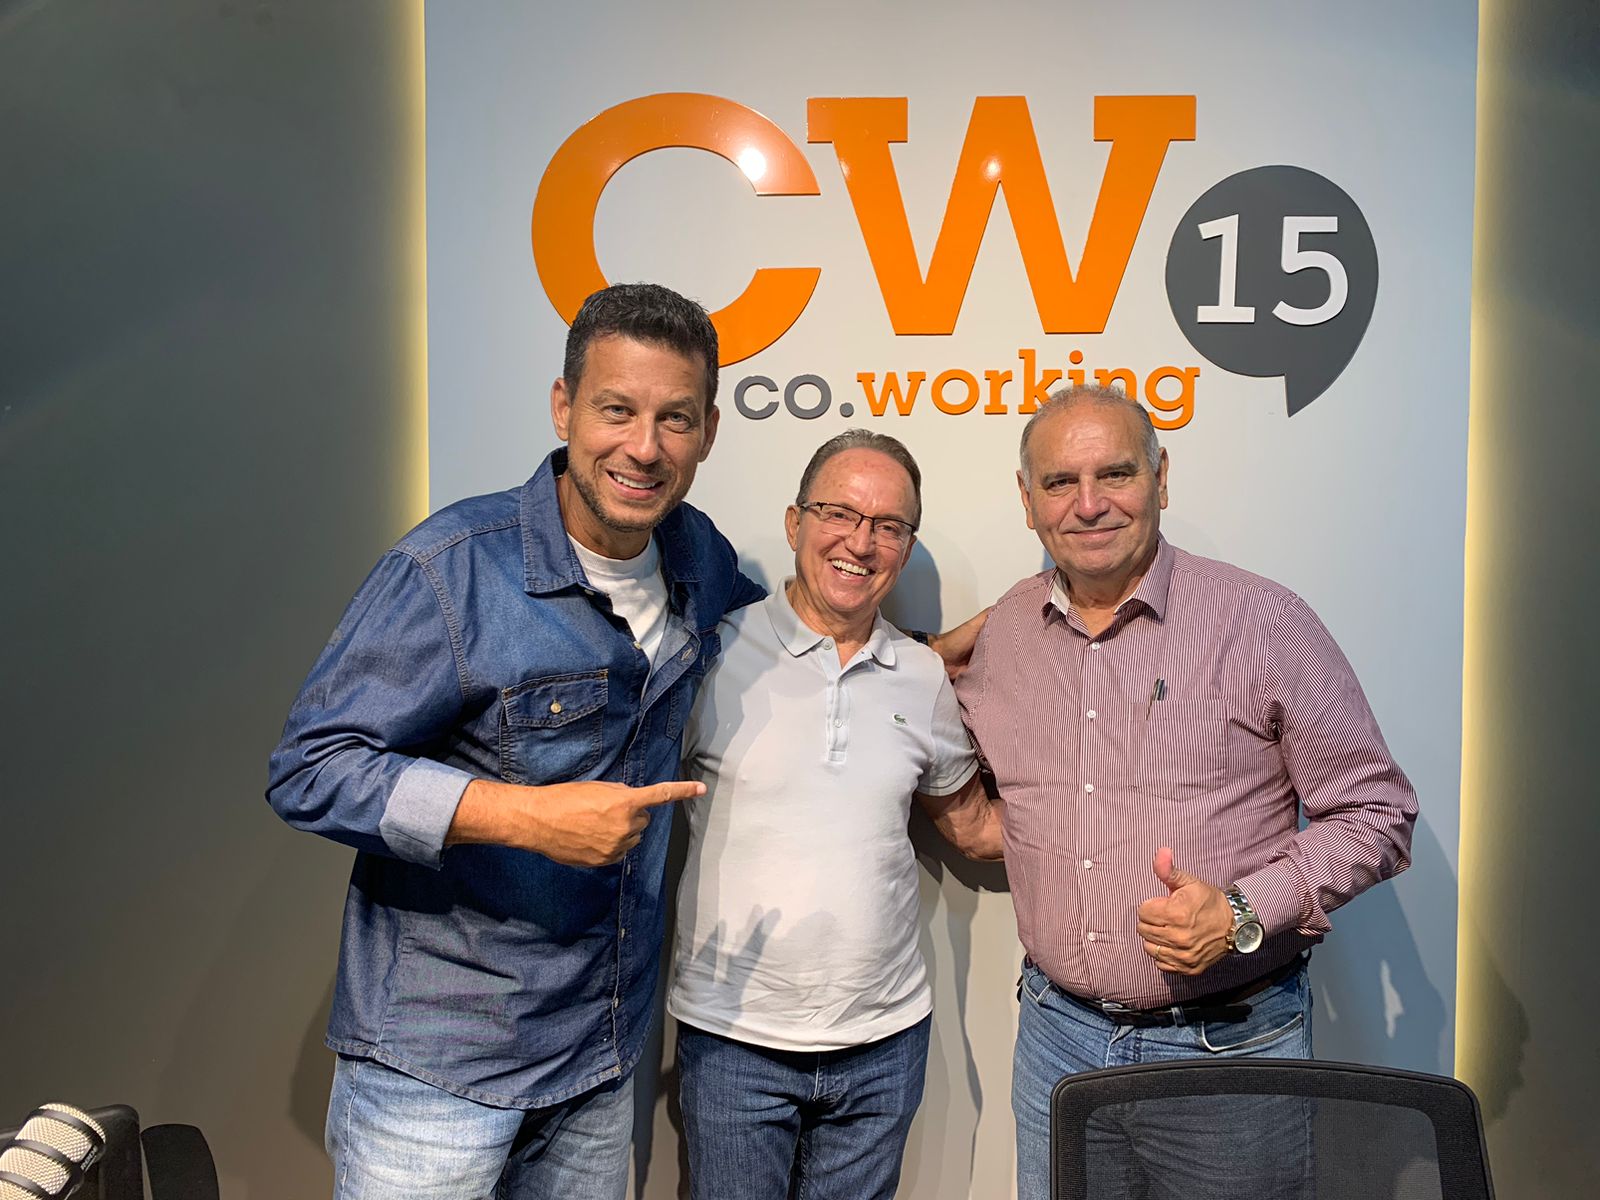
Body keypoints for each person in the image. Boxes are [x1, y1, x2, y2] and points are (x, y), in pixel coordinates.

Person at [266, 283, 763, 1200]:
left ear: (709, 432)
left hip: (596, 1057)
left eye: (675, 418)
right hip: (438, 1067)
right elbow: (311, 769)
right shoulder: (451, 568)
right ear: (564, 407)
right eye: (617, 410)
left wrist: (927, 656)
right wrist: (526, 819)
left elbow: (786, 643)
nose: (644, 447)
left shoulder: (699, 557)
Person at [955, 384, 1418, 1200]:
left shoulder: (1263, 621)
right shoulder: (1007, 632)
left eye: (1116, 474)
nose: (1088, 504)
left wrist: (1241, 911)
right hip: (1056, 1044)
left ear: (1161, 478)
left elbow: (1376, 812)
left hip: (1228, 1050)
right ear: (1026, 501)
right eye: (1060, 482)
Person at [669, 430, 1002, 1200]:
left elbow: (972, 826)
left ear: (905, 548)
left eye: (889, 526)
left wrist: (1107, 818)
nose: (861, 542)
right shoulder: (714, 656)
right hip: (734, 1044)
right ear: (795, 523)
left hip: (883, 1047)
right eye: (839, 514)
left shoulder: (922, 675)